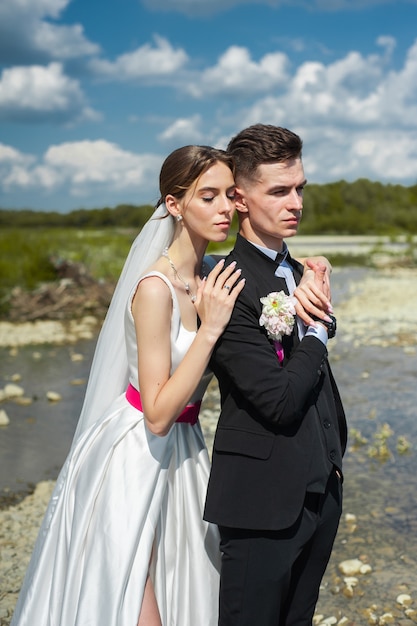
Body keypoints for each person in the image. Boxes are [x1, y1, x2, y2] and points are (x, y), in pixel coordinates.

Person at [11, 145, 246, 626]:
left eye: (230, 194)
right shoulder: (155, 289)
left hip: (186, 451)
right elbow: (158, 412)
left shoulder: (207, 278)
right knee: (135, 597)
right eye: (208, 196)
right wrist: (210, 329)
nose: (225, 208)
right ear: (174, 204)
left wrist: (315, 267)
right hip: (139, 453)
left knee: (191, 585)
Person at [204, 124, 348, 625]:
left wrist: (320, 307)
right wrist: (319, 330)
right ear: (240, 199)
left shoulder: (299, 270)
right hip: (260, 499)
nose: (296, 203)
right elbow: (278, 400)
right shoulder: (226, 283)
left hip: (321, 490)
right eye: (279, 191)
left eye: (300, 188)